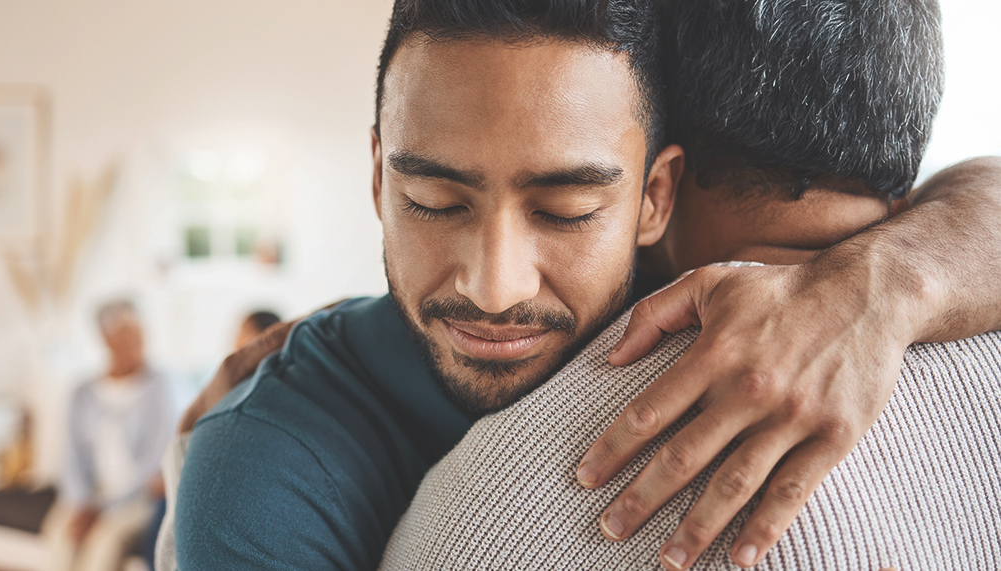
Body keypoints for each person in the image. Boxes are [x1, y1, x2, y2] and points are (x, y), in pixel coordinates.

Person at [168, 0, 1001, 569]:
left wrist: (878, 287)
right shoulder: (263, 470)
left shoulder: (699, 276)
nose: (495, 287)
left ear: (654, 198)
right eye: (432, 201)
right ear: (379, 174)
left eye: (565, 210)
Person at [61, 300, 175, 571]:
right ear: (106, 339)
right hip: (89, 496)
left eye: (139, 332)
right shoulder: (82, 392)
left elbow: (153, 462)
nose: (136, 341)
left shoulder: (159, 387)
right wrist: (81, 503)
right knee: (60, 538)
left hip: (136, 498)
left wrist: (102, 507)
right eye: (125, 334)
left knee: (105, 541)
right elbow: (70, 457)